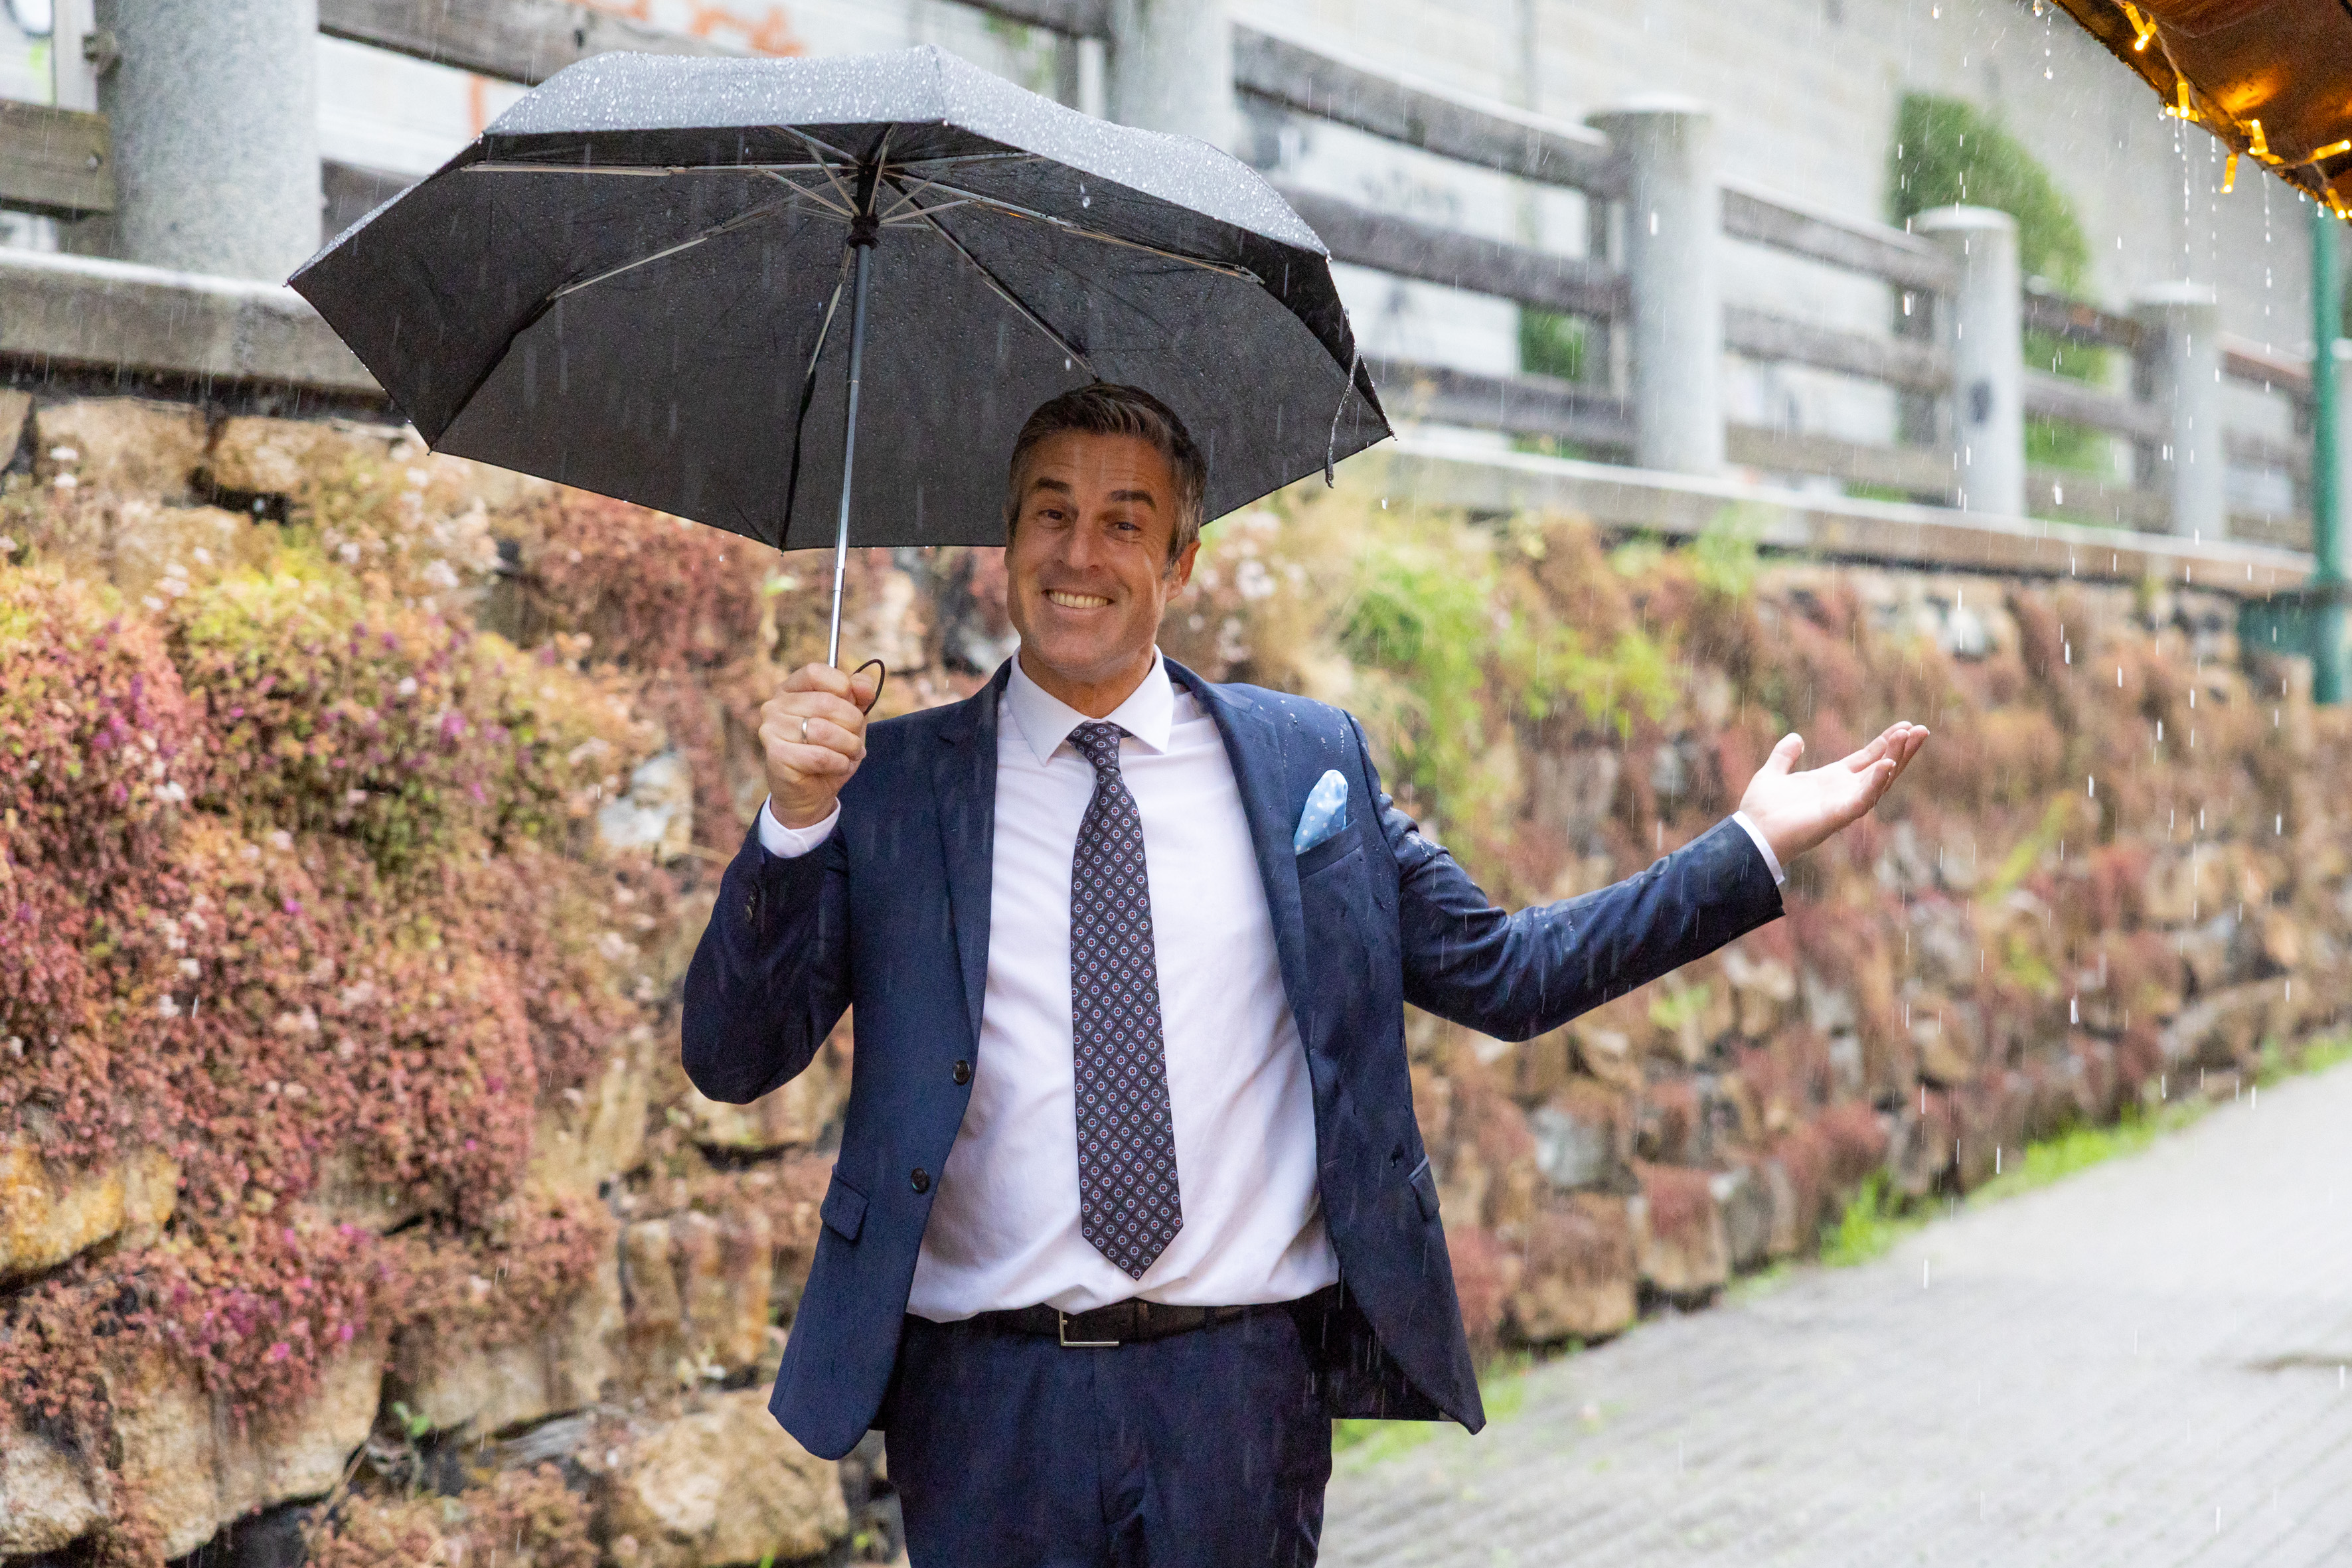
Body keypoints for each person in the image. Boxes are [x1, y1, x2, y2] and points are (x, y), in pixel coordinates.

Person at [682, 383, 1926, 1567]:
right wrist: (793, 821)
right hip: (987, 1408)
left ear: (1182, 561)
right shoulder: (891, 785)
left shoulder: (1302, 765)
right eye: (1050, 513)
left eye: (1126, 521)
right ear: (1007, 546)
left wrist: (1746, 847)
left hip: (1236, 1399)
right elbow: (734, 1058)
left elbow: (1506, 973)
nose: (1080, 551)